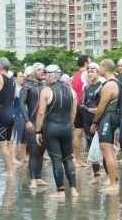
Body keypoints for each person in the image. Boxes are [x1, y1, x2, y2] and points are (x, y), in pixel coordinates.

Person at [35, 64, 79, 198]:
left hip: (52, 129)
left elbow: (41, 113)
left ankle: (60, 191)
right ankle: (73, 190)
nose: (45, 78)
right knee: (68, 159)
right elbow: (73, 113)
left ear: (51, 76)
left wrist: (38, 131)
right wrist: (69, 126)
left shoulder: (46, 91)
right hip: (66, 127)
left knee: (56, 160)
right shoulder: (71, 91)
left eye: (46, 76)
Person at [90, 59, 120, 192]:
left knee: (107, 152)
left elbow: (101, 108)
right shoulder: (114, 82)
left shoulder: (109, 85)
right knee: (110, 152)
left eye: (99, 68)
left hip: (108, 117)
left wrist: (95, 122)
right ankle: (113, 181)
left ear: (104, 68)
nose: (98, 70)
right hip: (112, 117)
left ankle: (113, 184)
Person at [20, 62, 50, 189]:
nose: (42, 71)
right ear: (33, 72)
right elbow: (22, 104)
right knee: (33, 151)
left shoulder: (46, 86)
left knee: (41, 152)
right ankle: (32, 180)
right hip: (32, 122)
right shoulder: (27, 86)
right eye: (38, 70)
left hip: (45, 123)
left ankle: (38, 177)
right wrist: (26, 121)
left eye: (43, 69)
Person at [80, 62, 105, 184]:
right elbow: (82, 104)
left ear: (98, 72)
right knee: (91, 148)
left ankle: (111, 175)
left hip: (99, 120)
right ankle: (96, 175)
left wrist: (91, 110)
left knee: (104, 147)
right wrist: (87, 109)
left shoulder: (103, 86)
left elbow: (103, 107)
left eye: (92, 71)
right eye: (88, 72)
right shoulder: (86, 88)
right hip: (87, 120)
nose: (89, 74)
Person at [71, 55, 91, 167]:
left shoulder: (74, 75)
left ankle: (77, 160)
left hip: (75, 105)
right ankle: (95, 160)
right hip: (84, 106)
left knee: (77, 133)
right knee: (89, 133)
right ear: (86, 63)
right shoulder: (86, 74)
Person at [11, 71, 28, 163]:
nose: (22, 78)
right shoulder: (14, 88)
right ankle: (12, 158)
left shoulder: (23, 87)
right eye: (19, 76)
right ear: (15, 78)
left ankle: (24, 157)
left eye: (22, 76)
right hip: (17, 114)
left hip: (25, 114)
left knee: (24, 136)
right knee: (17, 135)